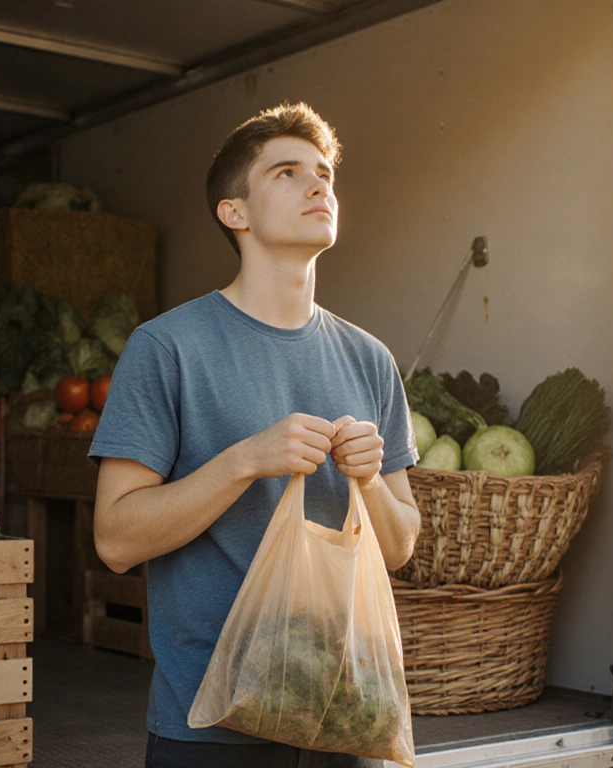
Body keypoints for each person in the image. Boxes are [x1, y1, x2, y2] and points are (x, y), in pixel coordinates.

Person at [88, 102, 422, 768]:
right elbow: (116, 539)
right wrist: (244, 461)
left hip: (346, 716)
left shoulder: (370, 359)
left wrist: (367, 481)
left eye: (325, 173)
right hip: (209, 729)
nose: (319, 185)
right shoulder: (167, 347)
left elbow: (399, 547)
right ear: (234, 213)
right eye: (288, 173)